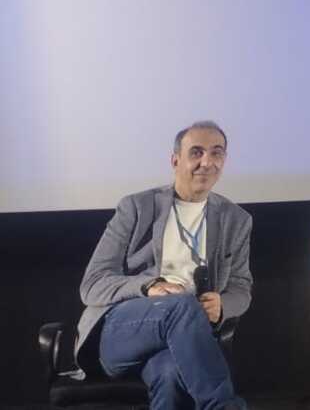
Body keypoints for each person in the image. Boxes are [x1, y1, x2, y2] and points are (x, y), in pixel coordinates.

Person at [77, 120, 251, 409]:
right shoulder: (136, 207)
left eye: (216, 153)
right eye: (196, 152)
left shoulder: (236, 219)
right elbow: (93, 284)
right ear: (175, 160)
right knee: (181, 304)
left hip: (184, 337)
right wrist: (148, 287)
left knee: (170, 375)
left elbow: (241, 288)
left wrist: (223, 305)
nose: (207, 162)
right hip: (121, 331)